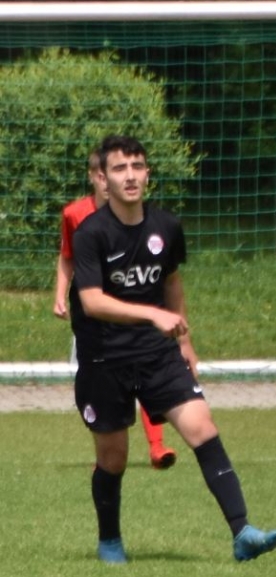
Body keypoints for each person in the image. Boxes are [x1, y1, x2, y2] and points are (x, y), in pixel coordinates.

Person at [69, 134, 276, 565]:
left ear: (148, 174)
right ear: (103, 179)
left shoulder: (166, 226)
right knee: (113, 458)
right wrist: (152, 315)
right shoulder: (91, 232)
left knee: (202, 428)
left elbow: (170, 281)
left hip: (157, 353)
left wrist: (184, 341)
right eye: (119, 168)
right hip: (103, 357)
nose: (130, 176)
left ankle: (243, 531)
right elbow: (91, 301)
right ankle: (110, 541)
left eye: (137, 166)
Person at [55, 149, 178, 470]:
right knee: (107, 382)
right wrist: (59, 294)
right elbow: (67, 256)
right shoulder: (76, 215)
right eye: (101, 175)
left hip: (136, 310)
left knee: (146, 367)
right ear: (96, 177)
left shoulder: (137, 216)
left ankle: (157, 445)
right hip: (97, 317)